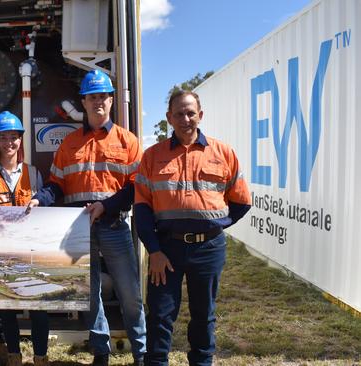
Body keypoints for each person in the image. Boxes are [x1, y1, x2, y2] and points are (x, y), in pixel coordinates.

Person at [29, 70, 146, 366]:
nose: (98, 102)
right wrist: (38, 198)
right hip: (78, 228)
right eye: (92, 97)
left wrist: (106, 206)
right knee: (89, 295)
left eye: (103, 97)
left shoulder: (127, 141)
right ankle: (101, 352)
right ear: (83, 101)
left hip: (114, 224)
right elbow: (56, 185)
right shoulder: (68, 144)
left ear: (110, 100)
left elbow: (137, 186)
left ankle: (142, 352)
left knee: (130, 293)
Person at [134, 90, 251, 365]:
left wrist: (216, 226)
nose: (186, 119)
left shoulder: (224, 153)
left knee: (204, 314)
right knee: (160, 314)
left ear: (200, 115)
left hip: (208, 249)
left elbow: (242, 202)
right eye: (179, 114)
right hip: (166, 249)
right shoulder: (152, 156)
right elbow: (141, 209)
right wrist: (154, 251)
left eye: (190, 113)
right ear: (168, 118)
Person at [0, 111, 49, 366]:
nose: (9, 143)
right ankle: (14, 355)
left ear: (20, 140)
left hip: (30, 249)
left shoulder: (34, 174)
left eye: (14, 137)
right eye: (3, 138)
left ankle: (40, 356)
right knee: (6, 306)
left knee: (39, 307)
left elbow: (44, 215)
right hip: (1, 250)